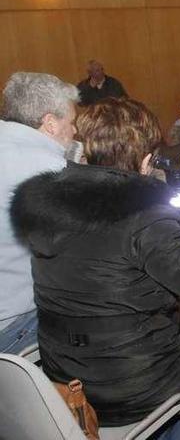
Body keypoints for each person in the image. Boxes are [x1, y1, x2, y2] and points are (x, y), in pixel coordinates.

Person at [10, 97, 180, 436]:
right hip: (127, 389)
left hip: (65, 374)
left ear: (84, 151)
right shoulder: (142, 215)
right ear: (146, 160)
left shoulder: (47, 205)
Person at [0, 72, 77, 355]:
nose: (76, 131)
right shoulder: (47, 171)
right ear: (50, 123)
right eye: (72, 122)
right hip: (15, 325)